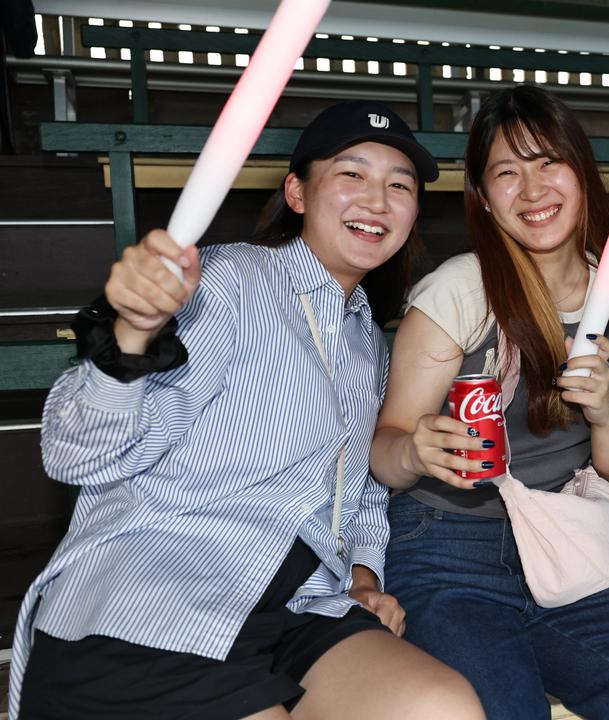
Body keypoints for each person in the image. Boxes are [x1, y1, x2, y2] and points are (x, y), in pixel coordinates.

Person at [12, 101, 483, 720]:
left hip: (295, 604)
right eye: (352, 174)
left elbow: (360, 487)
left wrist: (364, 577)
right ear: (296, 191)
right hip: (158, 597)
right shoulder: (227, 283)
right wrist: (128, 338)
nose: (378, 199)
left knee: (442, 705)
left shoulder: (365, 334)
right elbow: (77, 452)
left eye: (400, 185)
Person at [369, 84, 609, 720]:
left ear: (582, 174)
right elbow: (384, 452)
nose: (533, 188)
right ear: (485, 200)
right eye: (506, 173)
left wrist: (603, 414)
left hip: (569, 544)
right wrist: (415, 448)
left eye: (549, 162)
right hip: (445, 548)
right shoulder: (460, 290)